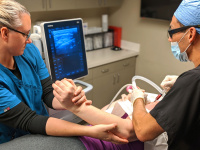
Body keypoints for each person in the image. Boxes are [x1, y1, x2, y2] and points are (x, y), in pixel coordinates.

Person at [0, 0, 129, 145]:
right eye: (25, 34)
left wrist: (67, 100)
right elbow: (29, 120)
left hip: (43, 132)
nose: (29, 40)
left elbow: (48, 92)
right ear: (5, 33)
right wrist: (89, 131)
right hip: (14, 142)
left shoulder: (29, 52)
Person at [130, 0, 200, 149]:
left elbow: (143, 131)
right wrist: (182, 87)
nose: (170, 39)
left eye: (172, 31)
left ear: (191, 34)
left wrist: (137, 99)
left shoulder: (193, 80)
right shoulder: (192, 82)